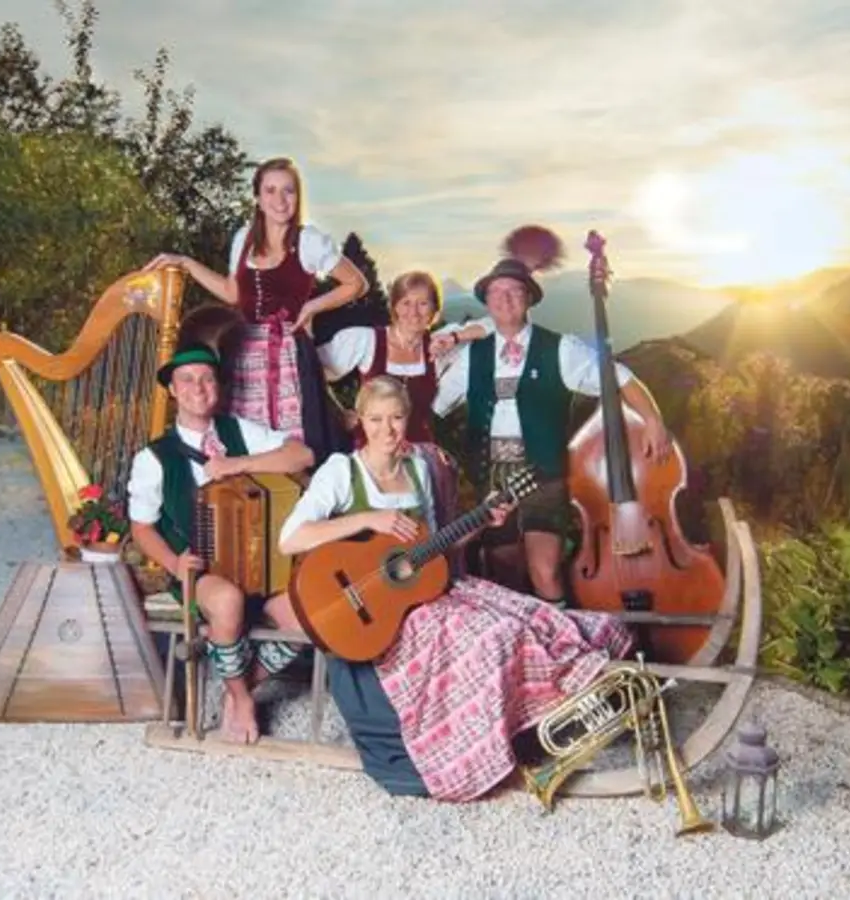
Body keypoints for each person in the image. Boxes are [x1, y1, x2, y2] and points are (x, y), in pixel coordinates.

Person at [278, 375, 634, 802]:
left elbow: (430, 552)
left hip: (423, 592)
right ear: (361, 421)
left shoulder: (417, 470)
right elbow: (290, 538)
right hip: (377, 610)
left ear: (408, 418)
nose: (386, 430)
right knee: (492, 637)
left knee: (533, 618)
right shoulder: (342, 471)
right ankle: (474, 754)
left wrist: (483, 520)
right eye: (375, 420)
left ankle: (551, 722)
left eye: (396, 418)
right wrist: (366, 520)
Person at [431, 252, 673, 610]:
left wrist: (653, 420)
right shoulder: (472, 356)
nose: (505, 299)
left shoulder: (561, 349)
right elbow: (434, 408)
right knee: (503, 571)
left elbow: (619, 378)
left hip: (543, 472)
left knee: (544, 569)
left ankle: (563, 646)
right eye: (496, 293)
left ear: (529, 298)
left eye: (514, 291)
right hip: (489, 476)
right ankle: (525, 653)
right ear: (487, 302)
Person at [126, 343, 315, 744]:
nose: (199, 387)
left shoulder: (239, 431)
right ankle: (242, 699)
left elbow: (302, 455)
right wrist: (174, 564)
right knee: (227, 601)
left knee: (307, 617)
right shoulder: (154, 457)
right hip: (200, 570)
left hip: (260, 565)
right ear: (173, 390)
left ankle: (242, 682)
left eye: (208, 378)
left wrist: (237, 464)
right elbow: (141, 527)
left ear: (218, 386)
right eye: (188, 379)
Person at [139, 157, 366, 463]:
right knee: (243, 434)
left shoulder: (309, 241)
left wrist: (312, 306)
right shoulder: (244, 239)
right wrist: (187, 264)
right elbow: (233, 293)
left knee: (295, 438)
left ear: (298, 197)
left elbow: (356, 283)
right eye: (270, 191)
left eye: (289, 191)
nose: (280, 200)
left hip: (288, 353)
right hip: (243, 351)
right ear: (258, 198)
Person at [315, 270, 491, 519]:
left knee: (429, 534)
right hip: (370, 456)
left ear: (434, 310)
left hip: (420, 459)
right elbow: (312, 371)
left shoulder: (440, 346)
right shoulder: (367, 341)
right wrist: (338, 412)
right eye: (406, 303)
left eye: (423, 303)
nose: (414, 312)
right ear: (395, 307)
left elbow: (496, 326)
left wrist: (455, 336)